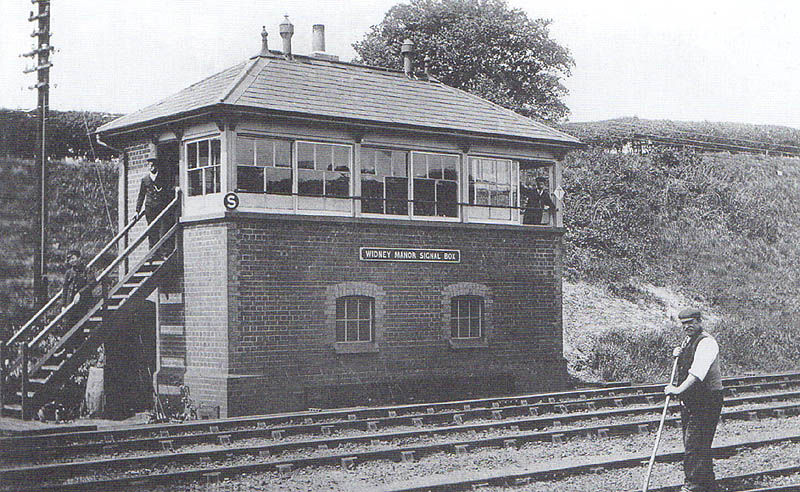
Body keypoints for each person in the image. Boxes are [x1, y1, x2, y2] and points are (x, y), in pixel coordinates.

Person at [664, 308, 723, 492]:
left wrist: (677, 389)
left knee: (694, 445)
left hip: (707, 400)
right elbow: (688, 360)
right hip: (692, 401)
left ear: (699, 321)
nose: (687, 326)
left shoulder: (707, 343)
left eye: (690, 322)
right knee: (697, 444)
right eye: (684, 324)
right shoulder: (688, 341)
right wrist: (678, 353)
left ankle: (694, 486)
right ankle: (707, 484)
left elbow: (697, 373)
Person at [136, 156, 171, 257]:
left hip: (161, 207)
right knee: (152, 230)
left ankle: (164, 252)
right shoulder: (145, 180)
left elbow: (167, 192)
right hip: (150, 208)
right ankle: (153, 253)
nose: (152, 167)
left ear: (157, 166)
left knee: (163, 229)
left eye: (153, 165)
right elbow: (141, 195)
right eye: (150, 165)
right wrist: (137, 211)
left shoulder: (162, 178)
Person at [62, 249, 93, 327]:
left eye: (73, 258)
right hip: (70, 304)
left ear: (79, 258)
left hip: (82, 305)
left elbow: (92, 283)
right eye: (69, 259)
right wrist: (63, 305)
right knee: (68, 326)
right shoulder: (68, 273)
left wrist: (80, 293)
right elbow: (65, 289)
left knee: (80, 328)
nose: (71, 261)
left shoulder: (86, 270)